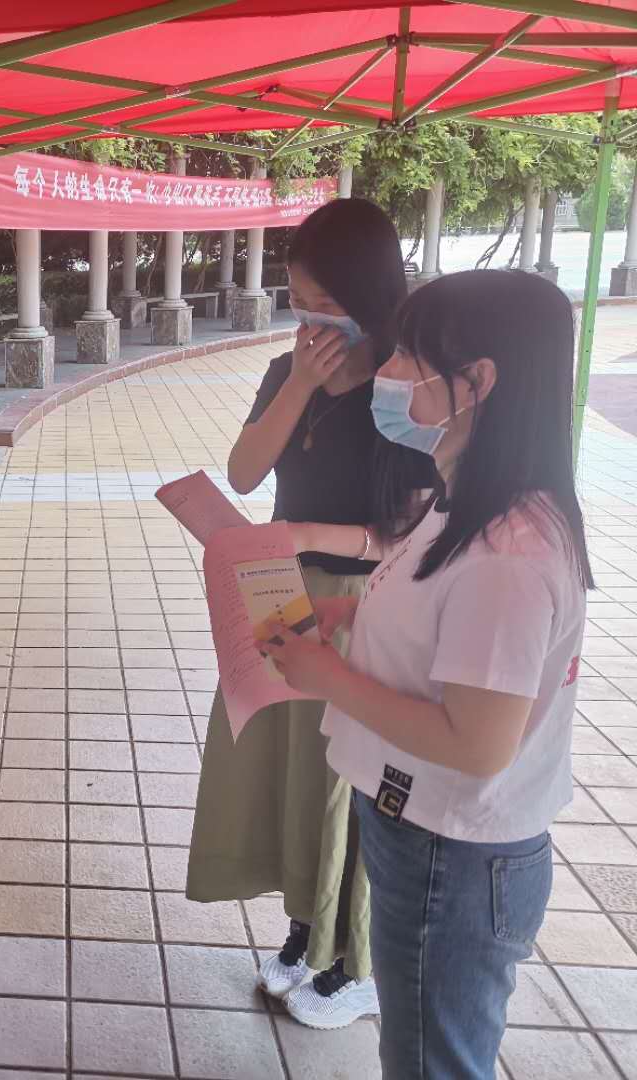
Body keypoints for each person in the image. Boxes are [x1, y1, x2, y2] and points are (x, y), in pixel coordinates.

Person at [265, 269, 590, 1077]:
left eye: (409, 357)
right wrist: (347, 620)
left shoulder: (510, 554)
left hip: (455, 855)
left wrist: (325, 675)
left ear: (477, 381)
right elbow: (432, 622)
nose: (386, 373)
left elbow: (477, 744)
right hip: (426, 834)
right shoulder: (469, 499)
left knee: (431, 1062)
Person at [186, 198, 428, 1028]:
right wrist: (297, 384)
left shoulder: (407, 384)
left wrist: (316, 536)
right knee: (292, 775)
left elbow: (413, 530)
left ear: (370, 295)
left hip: (362, 605)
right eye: (300, 300)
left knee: (346, 782)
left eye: (328, 304)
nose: (313, 320)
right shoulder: (288, 373)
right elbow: (245, 472)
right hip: (282, 595)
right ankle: (305, 929)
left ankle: (357, 961)